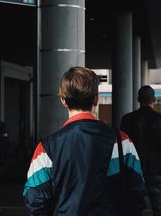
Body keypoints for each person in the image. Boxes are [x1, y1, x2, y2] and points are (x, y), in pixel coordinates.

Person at [24, 67, 146, 216]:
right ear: (96, 98)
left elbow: (35, 198)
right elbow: (137, 192)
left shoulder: (46, 148)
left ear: (63, 100)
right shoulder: (121, 141)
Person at [120, 86, 161, 216]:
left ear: (138, 99)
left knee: (133, 210)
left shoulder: (127, 119)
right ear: (154, 100)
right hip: (157, 172)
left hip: (134, 172)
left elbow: (121, 148)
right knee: (160, 211)